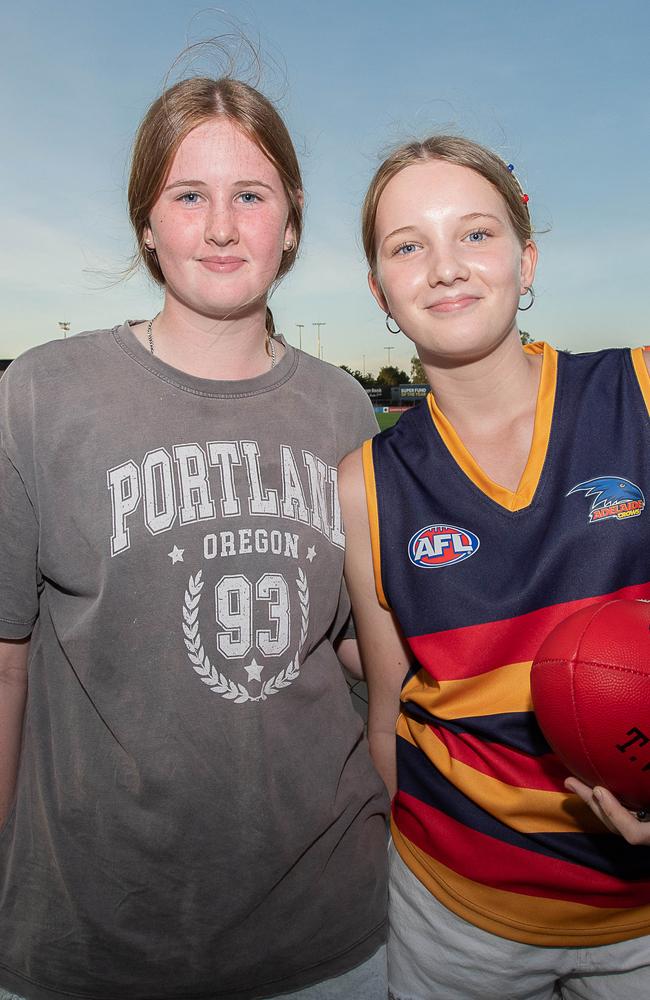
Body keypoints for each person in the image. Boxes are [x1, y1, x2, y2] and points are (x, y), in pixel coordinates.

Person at [0, 76, 389, 1000]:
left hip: (329, 930)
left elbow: (359, 648)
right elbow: (6, 665)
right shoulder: (40, 396)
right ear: (147, 223)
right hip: (92, 937)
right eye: (189, 196)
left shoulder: (342, 406)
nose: (222, 228)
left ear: (290, 223)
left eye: (251, 196)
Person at [339, 134, 650, 1000]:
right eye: (409, 246)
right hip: (454, 915)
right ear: (380, 291)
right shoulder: (366, 484)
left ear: (527, 257)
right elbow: (388, 711)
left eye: (475, 233)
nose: (444, 268)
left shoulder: (640, 393)